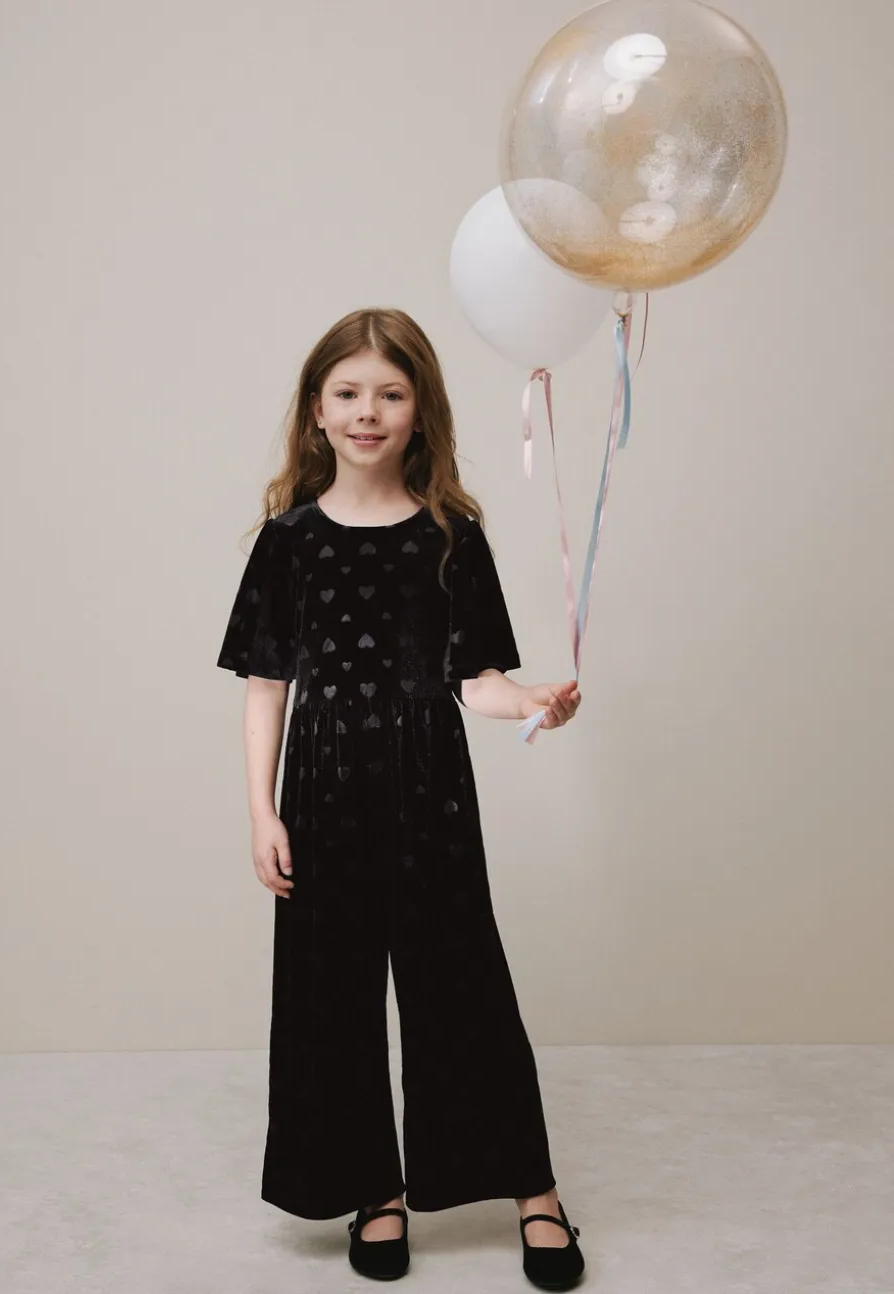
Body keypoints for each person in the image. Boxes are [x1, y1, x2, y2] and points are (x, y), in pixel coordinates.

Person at [216, 307, 586, 1290]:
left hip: (431, 794)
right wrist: (262, 811)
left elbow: (476, 682)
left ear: (420, 411)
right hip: (322, 794)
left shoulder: (450, 537)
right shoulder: (288, 542)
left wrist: (532, 700)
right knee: (329, 999)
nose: (367, 412)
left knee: (463, 989)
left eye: (389, 393)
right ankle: (371, 1189)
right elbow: (266, 686)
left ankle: (534, 1190)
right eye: (347, 393)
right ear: (316, 411)